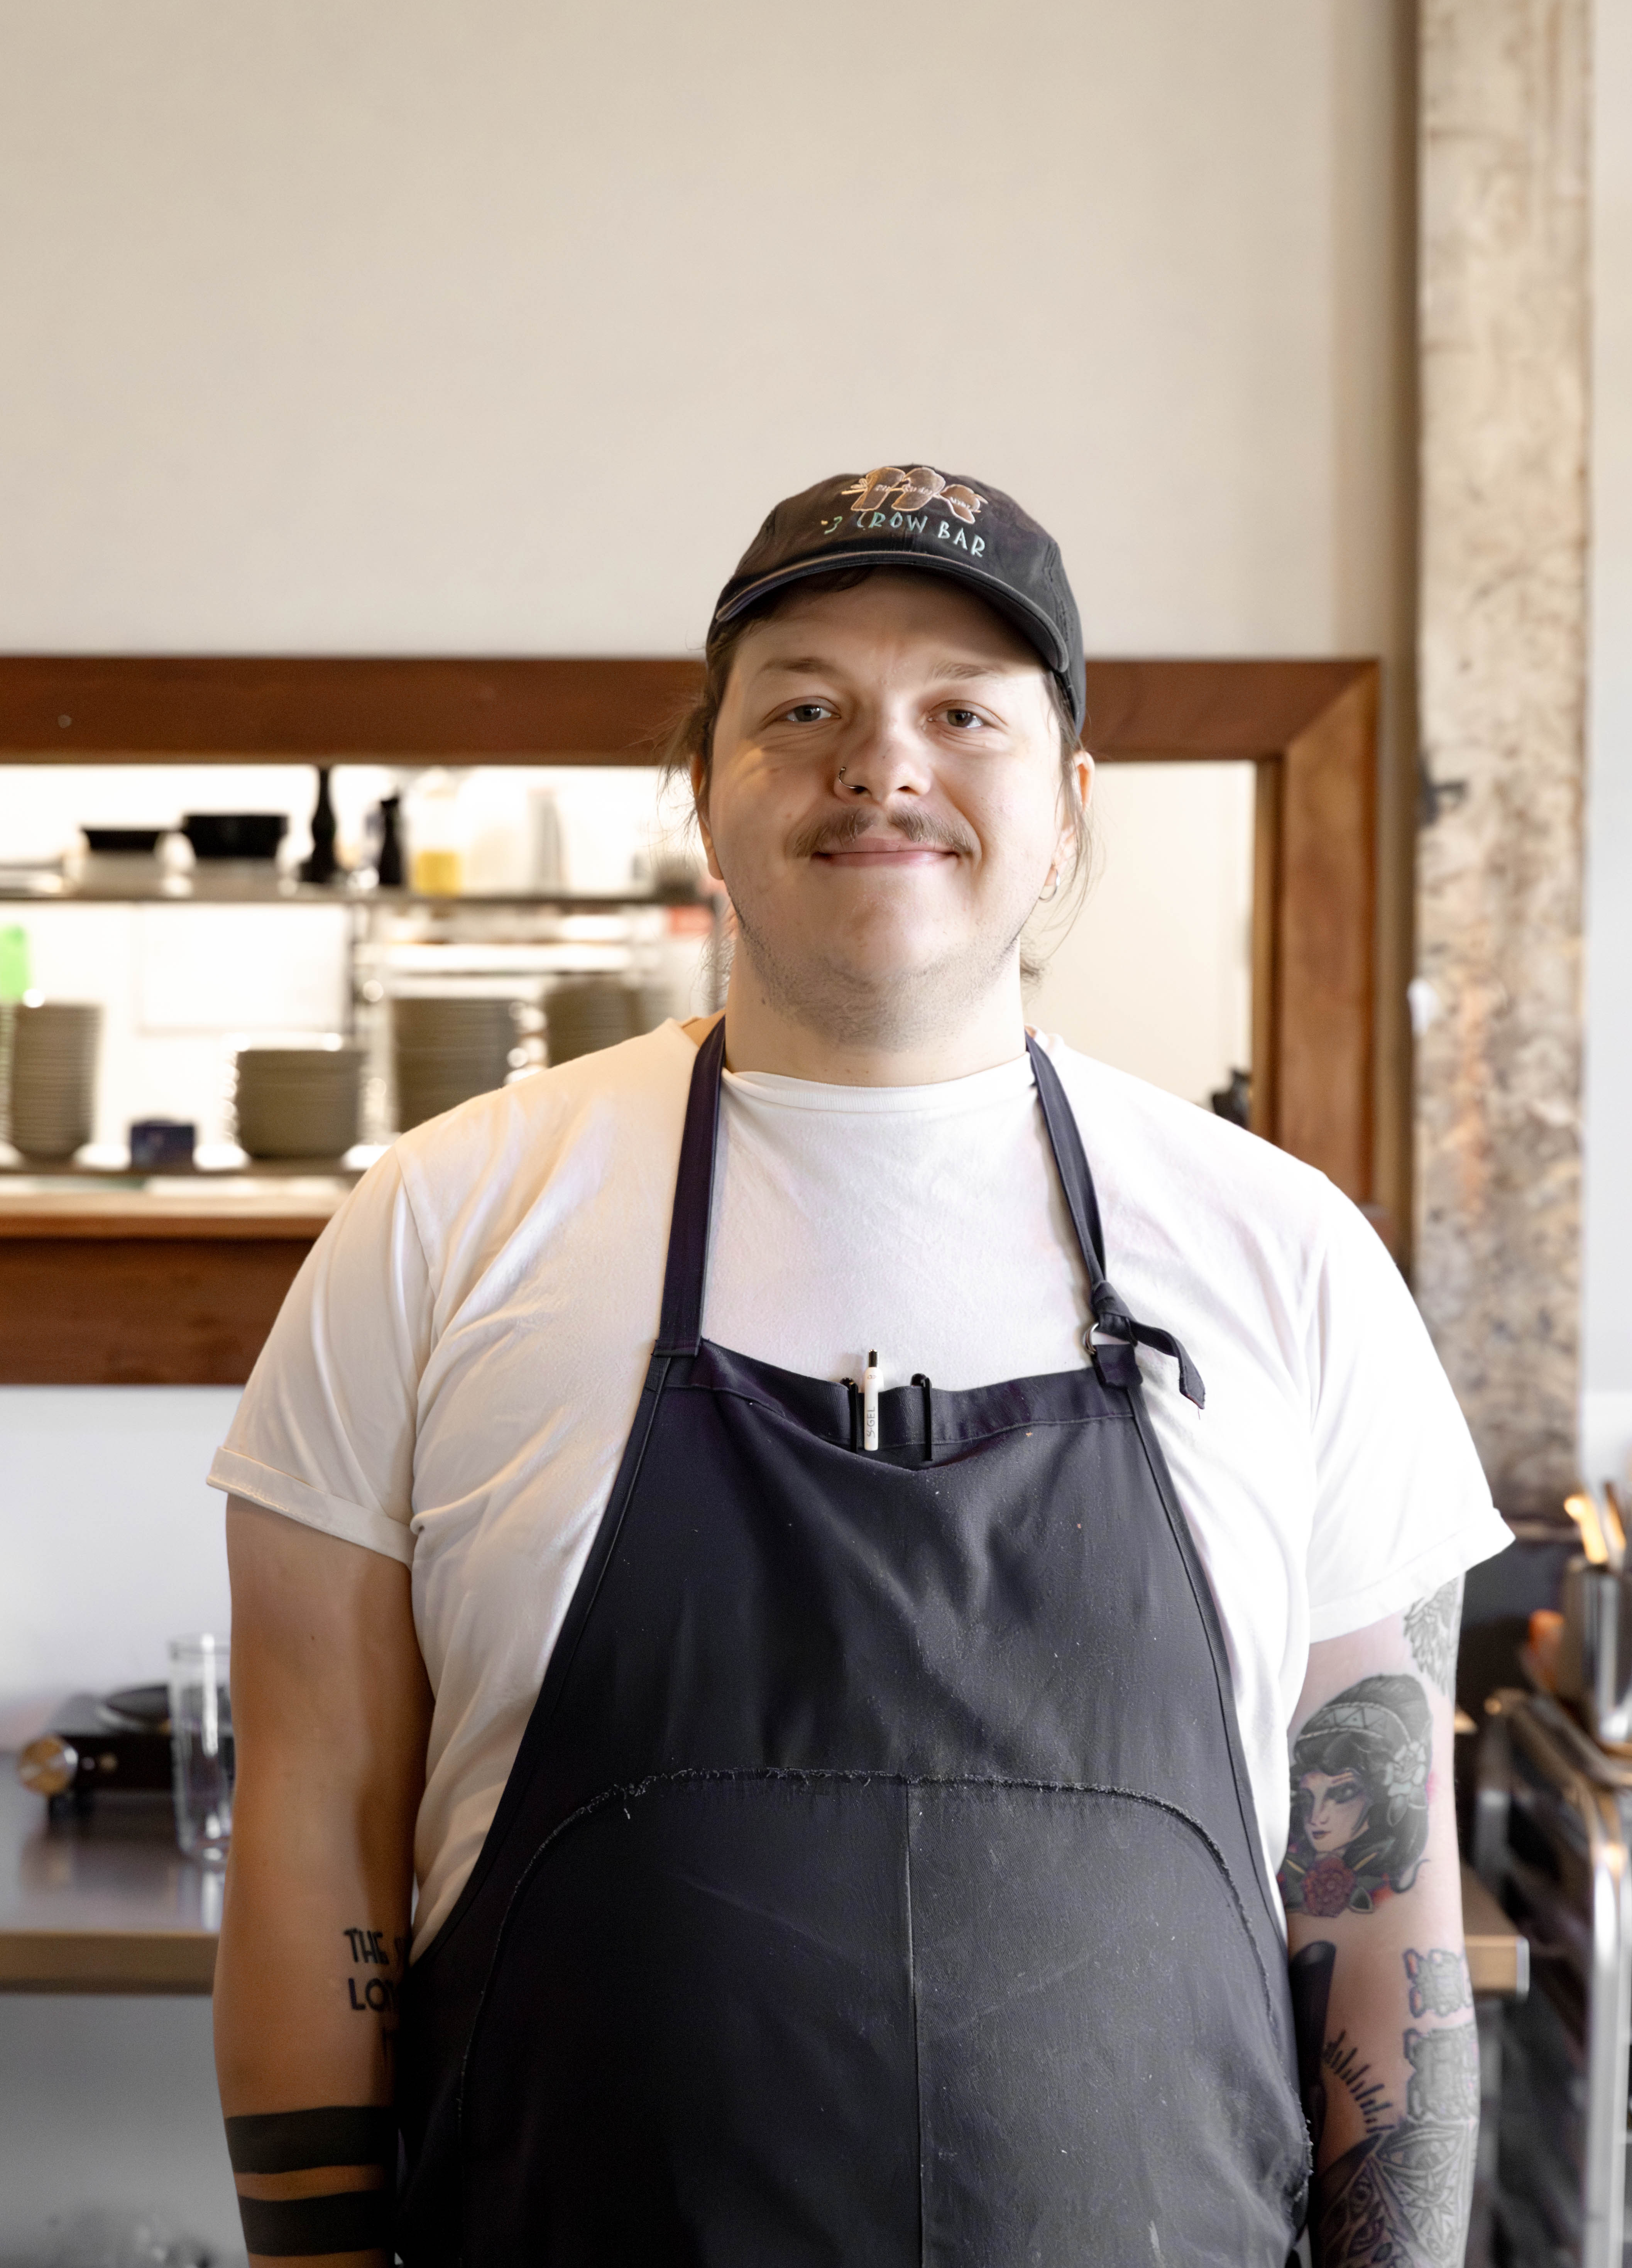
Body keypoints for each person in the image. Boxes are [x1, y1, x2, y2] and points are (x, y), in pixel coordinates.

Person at [210, 466, 1511, 2267]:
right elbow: (309, 1839)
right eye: (803, 707)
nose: (880, 764)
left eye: (959, 714)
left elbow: (1377, 1908)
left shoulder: (1284, 1256)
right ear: (704, 793)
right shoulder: (441, 1225)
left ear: (1063, 807)